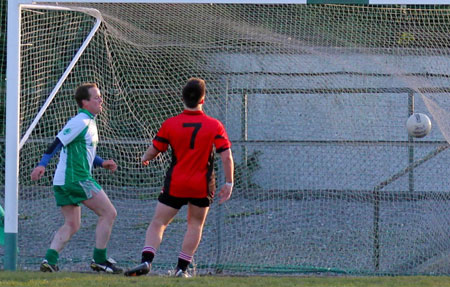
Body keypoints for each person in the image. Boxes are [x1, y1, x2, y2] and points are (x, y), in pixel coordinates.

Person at [124, 78, 234, 277]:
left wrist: (145, 158)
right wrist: (229, 182)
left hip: (176, 183)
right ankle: (181, 270)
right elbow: (226, 156)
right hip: (201, 184)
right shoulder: (214, 125)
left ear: (182, 98)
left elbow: (155, 149)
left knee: (159, 222)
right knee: (195, 224)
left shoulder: (171, 124)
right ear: (203, 99)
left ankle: (147, 261)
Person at [31, 83, 122, 274]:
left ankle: (49, 261)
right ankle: (100, 260)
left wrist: (101, 162)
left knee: (72, 224)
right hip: (77, 179)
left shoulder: (89, 122)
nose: (101, 100)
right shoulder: (80, 121)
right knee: (109, 213)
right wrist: (42, 164)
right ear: (84, 102)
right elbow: (58, 142)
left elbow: (80, 152)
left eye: (100, 96)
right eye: (96, 97)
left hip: (63, 181)